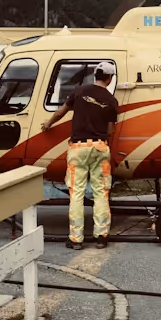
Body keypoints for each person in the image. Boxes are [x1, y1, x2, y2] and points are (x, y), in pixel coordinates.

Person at [41, 62, 119, 250]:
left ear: (95, 75)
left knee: (76, 193)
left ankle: (76, 239)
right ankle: (101, 236)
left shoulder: (79, 91)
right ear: (109, 78)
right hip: (100, 148)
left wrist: (48, 124)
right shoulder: (111, 100)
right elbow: (110, 130)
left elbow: (61, 112)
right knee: (101, 192)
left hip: (78, 148)